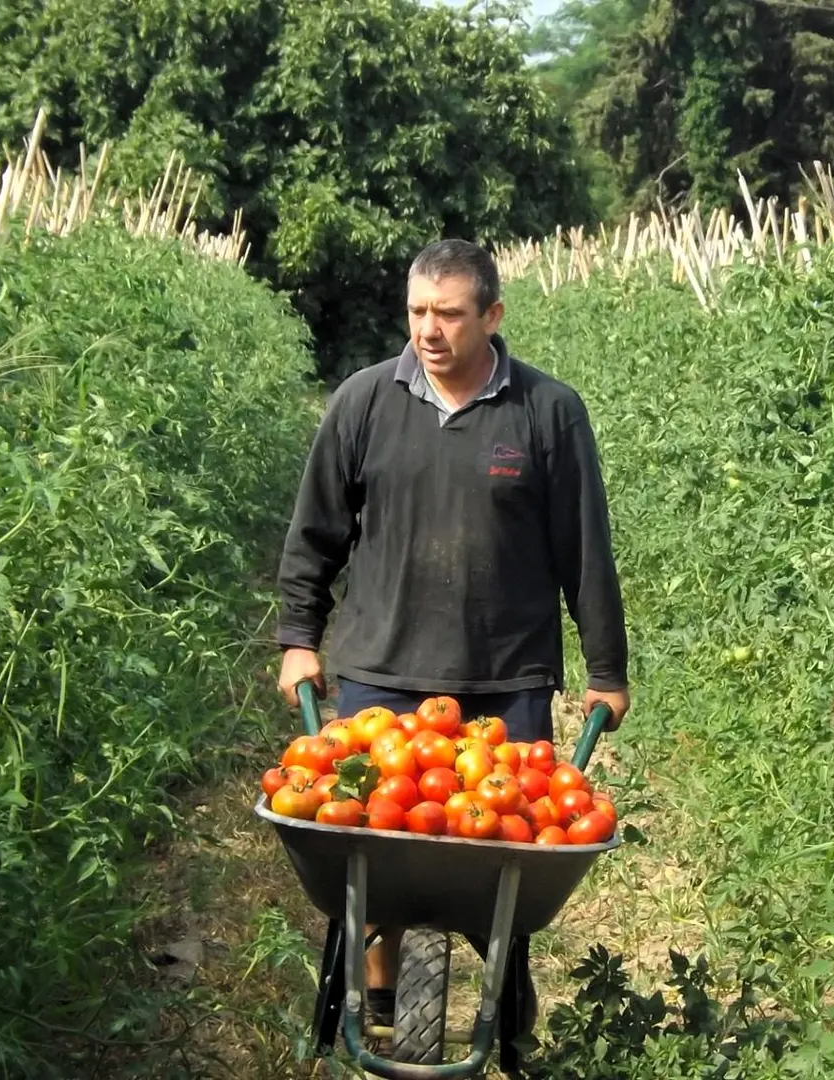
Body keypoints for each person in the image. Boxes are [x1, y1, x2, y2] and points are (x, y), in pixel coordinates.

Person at [273, 238, 631, 1050]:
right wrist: (299, 638)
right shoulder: (365, 401)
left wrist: (607, 668)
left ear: (492, 315)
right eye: (417, 312)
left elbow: (584, 550)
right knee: (376, 862)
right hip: (381, 669)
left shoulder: (547, 412)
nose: (429, 330)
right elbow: (315, 534)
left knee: (507, 861)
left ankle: (504, 996)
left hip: (505, 678)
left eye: (450, 314)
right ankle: (380, 995)